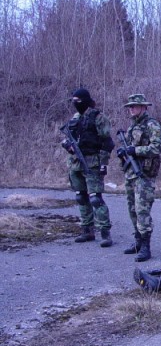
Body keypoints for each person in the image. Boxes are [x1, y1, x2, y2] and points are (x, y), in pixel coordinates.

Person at [61, 88, 115, 247]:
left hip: (92, 163)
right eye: (74, 101)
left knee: (95, 198)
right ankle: (87, 230)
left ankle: (105, 232)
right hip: (75, 163)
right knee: (80, 196)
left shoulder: (98, 118)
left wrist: (104, 164)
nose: (76, 104)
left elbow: (107, 143)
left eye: (79, 101)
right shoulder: (74, 118)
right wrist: (67, 145)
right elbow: (68, 139)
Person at [116, 94, 161, 262]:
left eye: (134, 106)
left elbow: (156, 147)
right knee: (132, 209)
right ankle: (137, 241)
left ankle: (145, 246)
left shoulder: (152, 125)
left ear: (143, 107)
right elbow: (130, 148)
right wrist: (123, 153)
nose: (131, 109)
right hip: (131, 173)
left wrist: (135, 151)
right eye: (130, 106)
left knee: (142, 209)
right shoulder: (132, 127)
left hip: (144, 174)